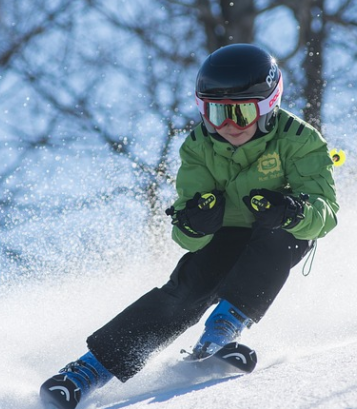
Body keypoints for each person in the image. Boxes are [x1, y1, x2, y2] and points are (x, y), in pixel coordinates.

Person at [39, 43, 339, 409]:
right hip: (225, 235)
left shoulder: (300, 140)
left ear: (267, 107)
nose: (227, 126)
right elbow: (186, 236)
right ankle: (87, 371)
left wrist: (292, 211)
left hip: (277, 232)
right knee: (186, 291)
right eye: (215, 113)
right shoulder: (199, 146)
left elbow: (325, 213)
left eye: (241, 113)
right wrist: (196, 222)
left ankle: (221, 331)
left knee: (280, 238)